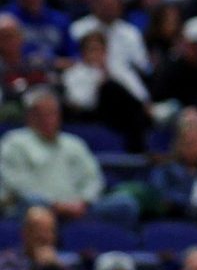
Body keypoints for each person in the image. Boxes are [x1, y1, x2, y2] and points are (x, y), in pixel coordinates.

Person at [0, 89, 113, 221]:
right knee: (34, 204)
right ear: (30, 117)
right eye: (43, 114)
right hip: (36, 206)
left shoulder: (74, 143)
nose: (50, 119)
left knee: (123, 205)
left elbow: (93, 179)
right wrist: (55, 204)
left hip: (78, 207)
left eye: (54, 113)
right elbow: (17, 184)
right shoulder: (14, 142)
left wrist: (84, 201)